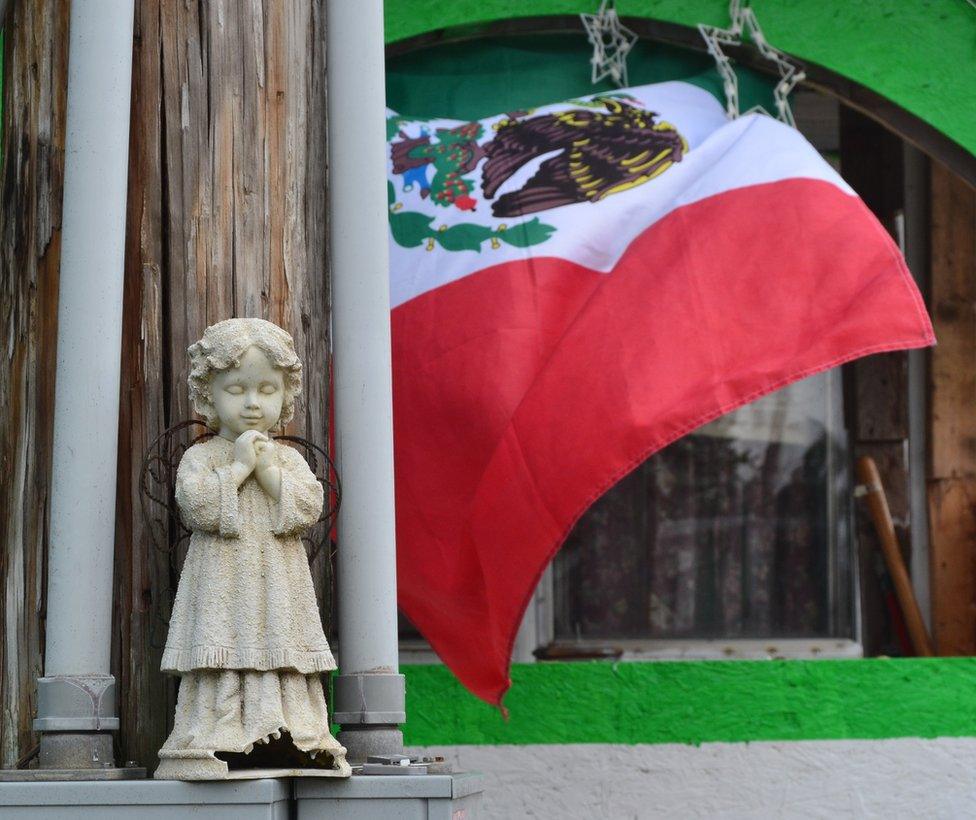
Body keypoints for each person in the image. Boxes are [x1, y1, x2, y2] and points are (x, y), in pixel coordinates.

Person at [155, 317, 349, 780]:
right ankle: (214, 735)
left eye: (266, 390)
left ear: (284, 397)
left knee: (279, 643)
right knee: (225, 640)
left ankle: (294, 732)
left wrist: (267, 472)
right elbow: (198, 507)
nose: (252, 403)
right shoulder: (202, 455)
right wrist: (239, 469)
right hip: (222, 574)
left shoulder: (288, 458)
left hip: (279, 577)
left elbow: (306, 507)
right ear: (208, 396)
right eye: (237, 390)